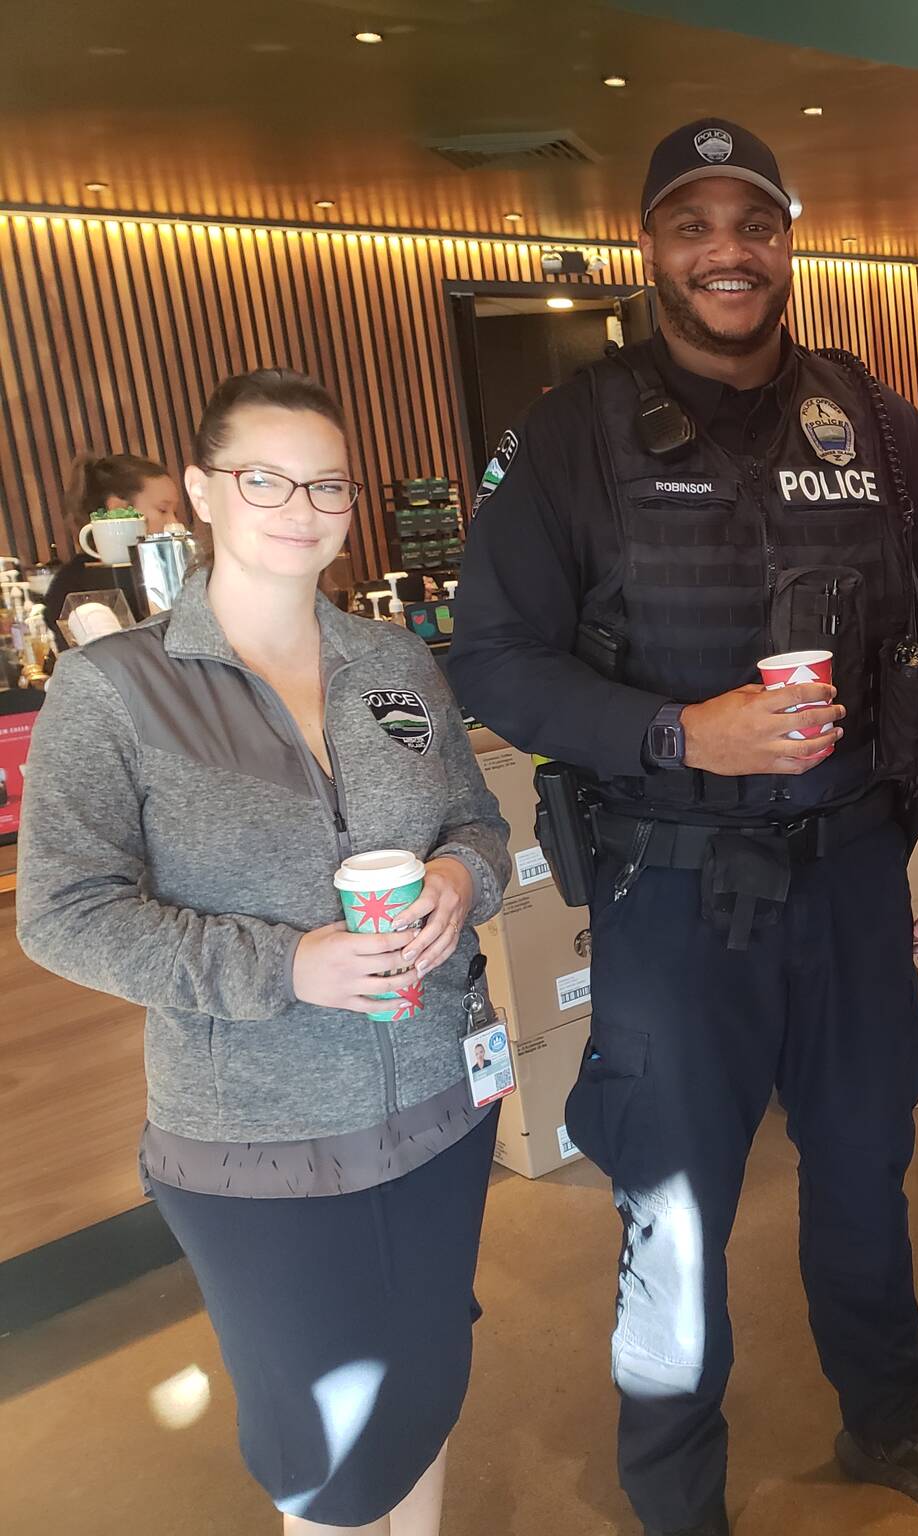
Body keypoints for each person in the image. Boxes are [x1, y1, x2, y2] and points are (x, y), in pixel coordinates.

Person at [445, 118, 918, 1536]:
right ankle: (676, 1497)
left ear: (786, 239)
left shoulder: (878, 422)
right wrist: (672, 730)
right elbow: (493, 658)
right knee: (672, 1209)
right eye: (694, 224)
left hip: (855, 877)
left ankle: (889, 1413)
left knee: (867, 1170)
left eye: (751, 223)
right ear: (652, 247)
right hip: (670, 895)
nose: (726, 252)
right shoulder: (572, 433)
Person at [16, 369, 512, 1536]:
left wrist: (457, 879)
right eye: (264, 478)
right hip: (258, 1146)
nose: (302, 506)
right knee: (326, 1453)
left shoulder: (394, 666)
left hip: (440, 1105)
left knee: (427, 1388)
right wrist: (284, 966)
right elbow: (64, 912)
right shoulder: (114, 688)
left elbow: (478, 826)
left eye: (326, 483)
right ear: (199, 493)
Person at [40, 452, 182, 650]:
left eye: (175, 512)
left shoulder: (167, 571)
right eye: (163, 510)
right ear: (118, 510)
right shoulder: (73, 582)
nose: (175, 524)